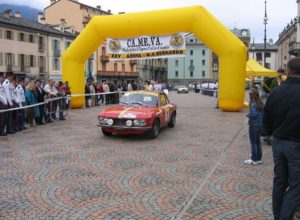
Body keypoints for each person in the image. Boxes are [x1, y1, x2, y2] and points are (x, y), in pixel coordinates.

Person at [263, 58, 300, 220]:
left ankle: (279, 215)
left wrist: (271, 132)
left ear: (288, 71)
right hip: (296, 144)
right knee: (296, 186)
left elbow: (267, 117)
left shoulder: (276, 92)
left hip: (278, 142)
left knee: (279, 182)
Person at [244, 88, 264, 165]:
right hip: (260, 125)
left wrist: (248, 115)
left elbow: (253, 114)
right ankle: (259, 158)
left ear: (252, 96)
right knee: (258, 142)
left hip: (253, 125)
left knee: (253, 142)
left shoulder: (253, 104)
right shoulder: (260, 103)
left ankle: (254, 159)